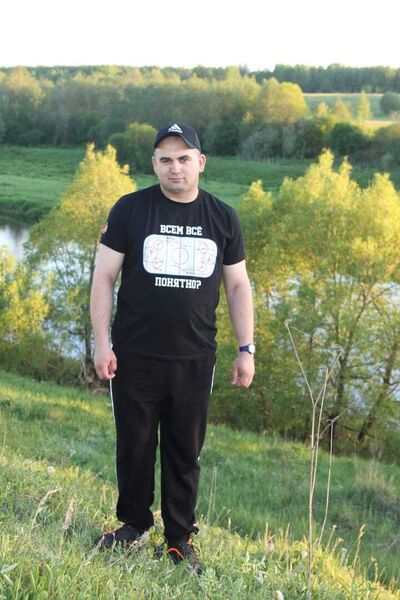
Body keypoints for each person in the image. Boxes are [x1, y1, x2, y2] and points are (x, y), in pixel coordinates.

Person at [90, 122, 255, 573]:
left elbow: (238, 285)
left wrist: (246, 348)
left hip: (194, 358)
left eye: (184, 158)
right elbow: (104, 277)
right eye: (165, 159)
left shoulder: (223, 217)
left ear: (200, 163)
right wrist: (102, 343)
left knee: (185, 452)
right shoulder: (130, 209)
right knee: (135, 446)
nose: (175, 167)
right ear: (154, 164)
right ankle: (133, 526)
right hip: (134, 355)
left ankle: (179, 539)